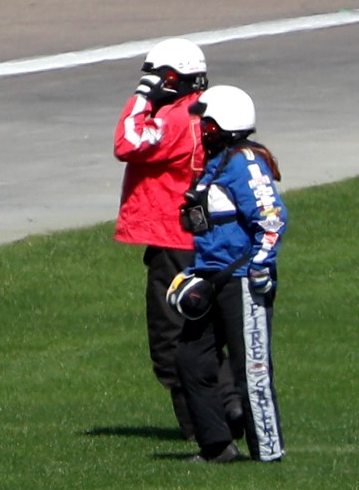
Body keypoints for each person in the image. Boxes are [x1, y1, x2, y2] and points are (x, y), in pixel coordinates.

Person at [112, 37, 236, 441]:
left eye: (156, 77)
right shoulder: (211, 113)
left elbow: (127, 142)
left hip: (175, 242)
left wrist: (142, 96)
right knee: (205, 333)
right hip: (210, 239)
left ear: (171, 78)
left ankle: (206, 430)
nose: (150, 83)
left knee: (172, 343)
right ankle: (231, 408)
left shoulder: (177, 119)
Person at [169, 85, 285, 463]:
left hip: (243, 281)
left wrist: (261, 265)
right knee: (191, 358)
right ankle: (217, 447)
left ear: (224, 124)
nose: (201, 130)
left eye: (206, 123)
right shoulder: (216, 162)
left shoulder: (244, 162)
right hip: (210, 278)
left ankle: (267, 453)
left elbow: (271, 218)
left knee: (250, 368)